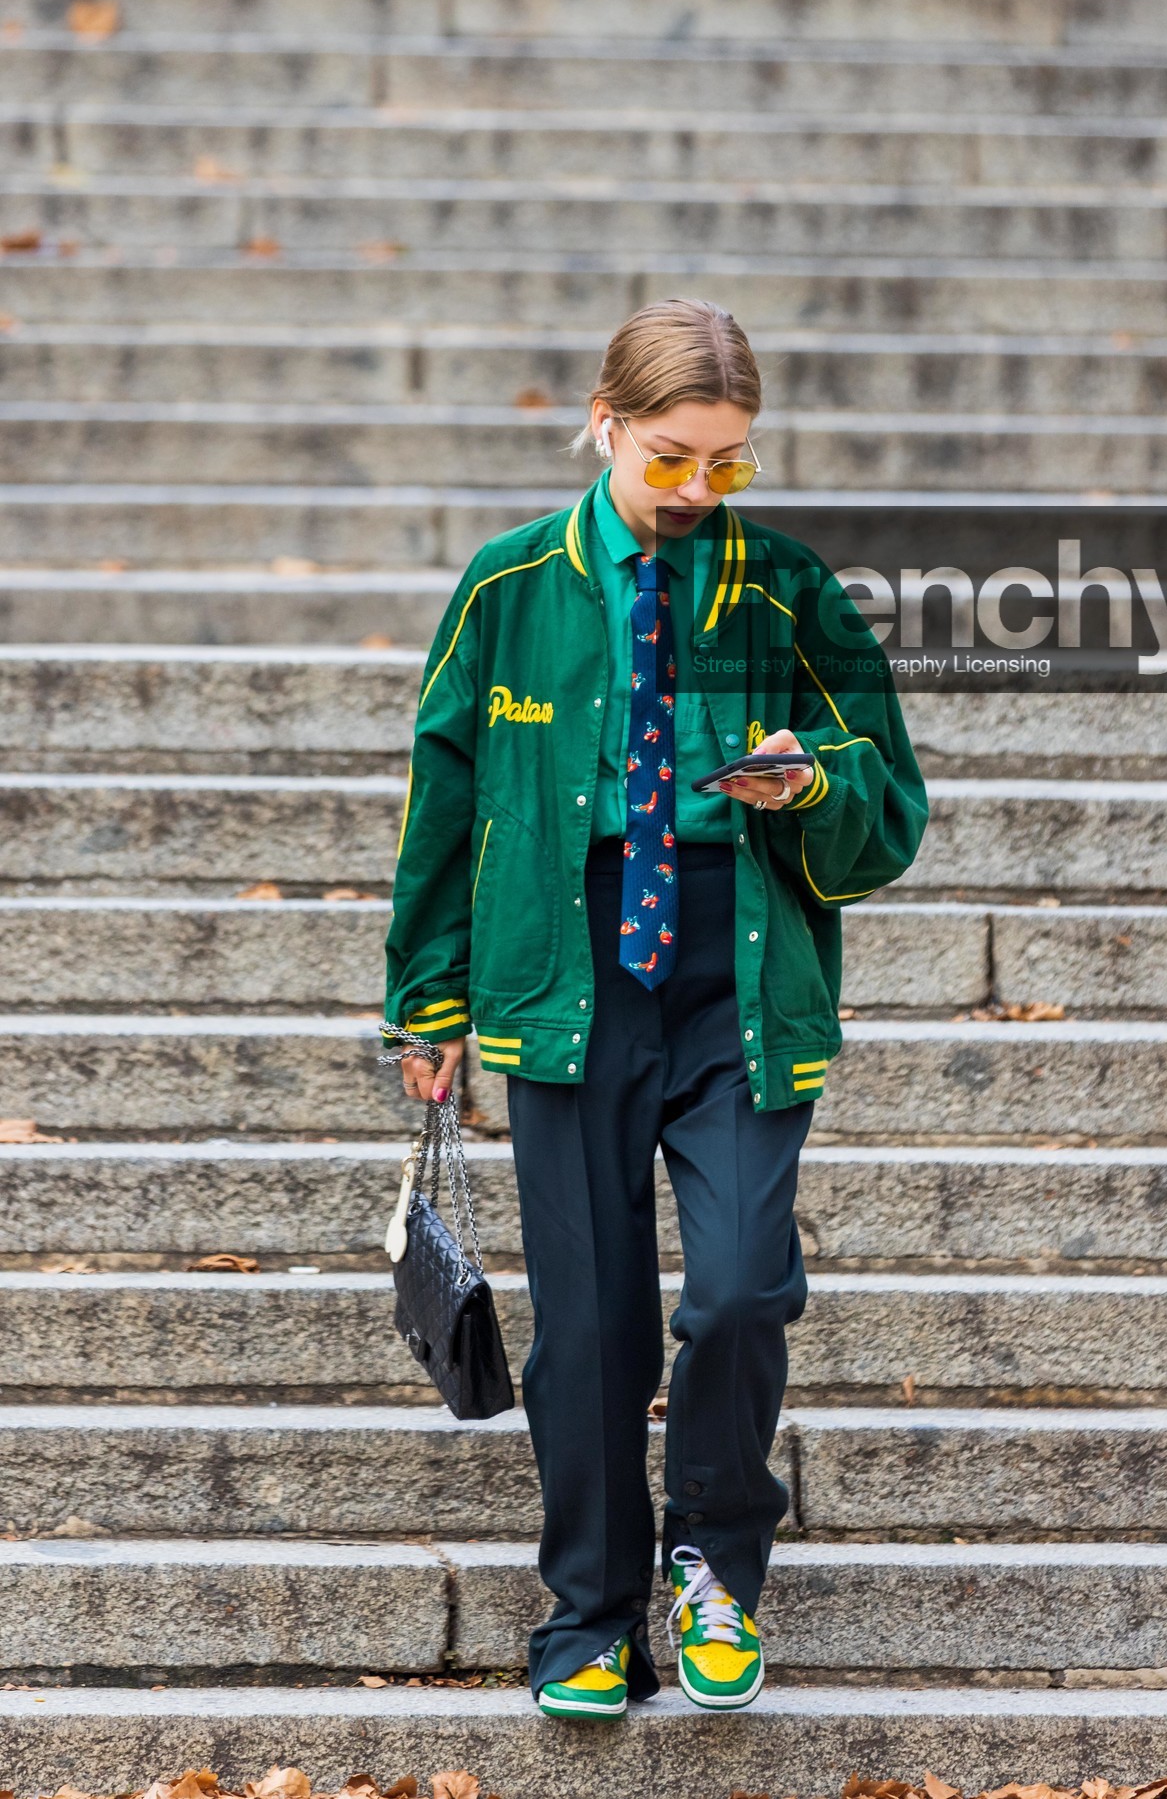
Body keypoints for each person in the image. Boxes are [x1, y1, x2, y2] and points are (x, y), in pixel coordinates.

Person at [385, 297, 928, 1720]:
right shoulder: (510, 589)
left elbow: (892, 810)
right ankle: (588, 1617)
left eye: (728, 464)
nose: (699, 491)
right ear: (606, 423)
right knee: (593, 1326)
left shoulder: (790, 587)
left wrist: (814, 785)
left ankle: (715, 1566)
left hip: (735, 982)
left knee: (745, 1284)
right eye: (674, 459)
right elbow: (445, 805)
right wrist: (425, 1003)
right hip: (564, 990)